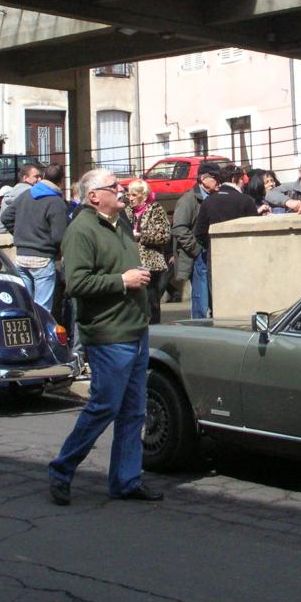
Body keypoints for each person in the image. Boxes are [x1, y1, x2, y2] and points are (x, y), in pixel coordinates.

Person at [47, 168, 160, 506]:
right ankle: (62, 469)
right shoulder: (81, 231)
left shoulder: (120, 223)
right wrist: (121, 281)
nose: (122, 190)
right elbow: (76, 284)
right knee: (104, 407)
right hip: (109, 333)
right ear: (94, 196)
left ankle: (126, 480)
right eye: (115, 187)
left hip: (135, 329)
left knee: (134, 412)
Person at [193, 164, 260, 315]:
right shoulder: (245, 201)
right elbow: (255, 231)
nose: (245, 183)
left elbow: (199, 233)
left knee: (217, 300)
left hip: (216, 259)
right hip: (244, 260)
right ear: (235, 179)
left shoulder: (208, 202)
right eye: (243, 180)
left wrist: (211, 245)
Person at [11, 162, 68, 313]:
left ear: (42, 177)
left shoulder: (25, 195)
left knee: (26, 307)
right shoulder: (56, 202)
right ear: (61, 181)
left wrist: (21, 234)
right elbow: (59, 237)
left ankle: (28, 335)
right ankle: (41, 336)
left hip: (21, 256)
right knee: (42, 310)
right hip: (42, 257)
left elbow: (6, 217)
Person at [172, 161, 220, 316]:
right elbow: (179, 228)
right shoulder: (188, 200)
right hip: (199, 255)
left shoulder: (215, 197)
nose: (218, 181)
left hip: (213, 253)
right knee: (201, 297)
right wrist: (197, 249)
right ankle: (200, 328)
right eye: (215, 178)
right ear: (203, 178)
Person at [124, 179, 172, 325]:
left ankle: (153, 332)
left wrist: (141, 236)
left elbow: (164, 235)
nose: (130, 198)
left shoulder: (155, 209)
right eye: (128, 195)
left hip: (151, 264)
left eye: (134, 195)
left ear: (143, 196)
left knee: (151, 303)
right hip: (130, 262)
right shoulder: (126, 212)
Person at [0, 162, 42, 234]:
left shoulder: (7, 196)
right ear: (25, 178)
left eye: (40, 177)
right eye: (36, 177)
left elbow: (0, 229)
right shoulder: (35, 195)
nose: (40, 179)